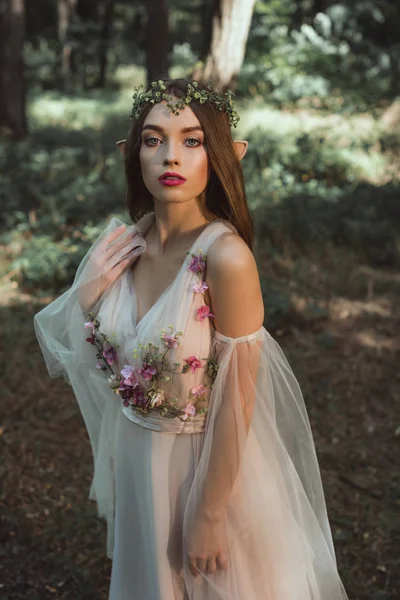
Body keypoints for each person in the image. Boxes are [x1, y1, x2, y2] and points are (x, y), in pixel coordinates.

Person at [34, 78, 348, 600]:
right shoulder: (125, 245)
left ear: (225, 154)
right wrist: (86, 294)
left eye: (193, 140)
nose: (170, 156)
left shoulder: (225, 258)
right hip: (138, 459)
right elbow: (91, 359)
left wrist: (210, 511)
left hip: (202, 468)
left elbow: (240, 397)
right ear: (132, 153)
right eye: (154, 139)